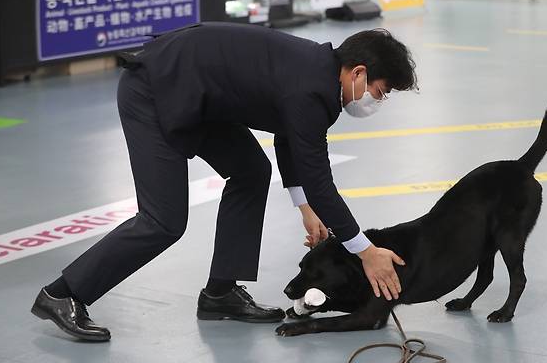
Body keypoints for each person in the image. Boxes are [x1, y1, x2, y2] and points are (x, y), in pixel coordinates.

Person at [30, 23, 418, 341]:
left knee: (251, 171)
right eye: (379, 92)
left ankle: (220, 293)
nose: (375, 101)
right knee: (162, 221)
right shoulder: (310, 89)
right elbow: (319, 178)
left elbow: (290, 136)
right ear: (359, 72)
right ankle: (62, 294)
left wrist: (305, 207)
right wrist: (366, 251)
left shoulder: (319, 75)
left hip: (199, 98)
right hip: (154, 90)